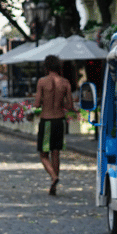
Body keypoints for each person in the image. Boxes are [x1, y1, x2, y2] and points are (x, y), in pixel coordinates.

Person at [33, 55, 74, 195]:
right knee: (56, 152)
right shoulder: (65, 83)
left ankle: (53, 176)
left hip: (47, 120)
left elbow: (37, 104)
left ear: (46, 66)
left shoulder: (42, 82)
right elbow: (70, 106)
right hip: (60, 121)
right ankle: (54, 186)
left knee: (44, 154)